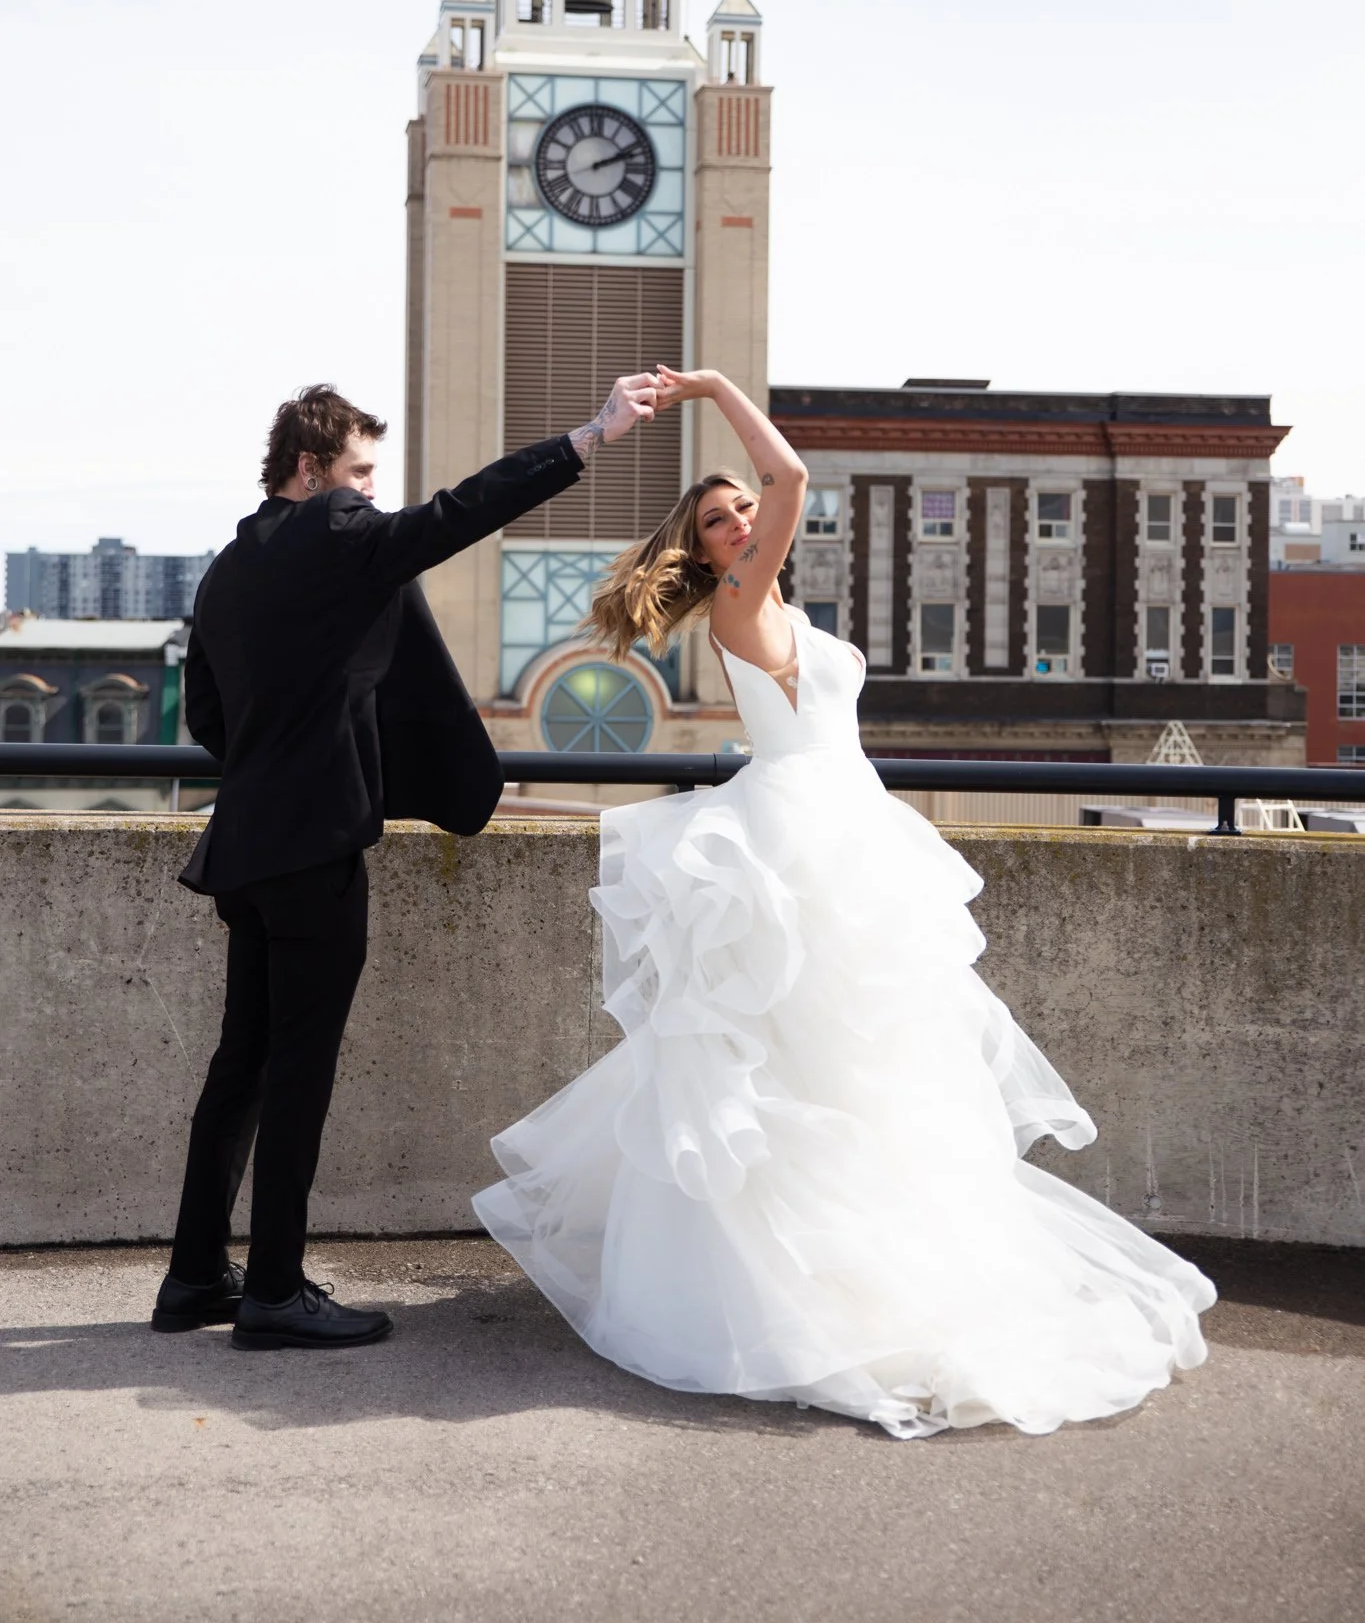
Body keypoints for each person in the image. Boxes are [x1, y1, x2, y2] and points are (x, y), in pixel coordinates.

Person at [474, 368, 1215, 1438]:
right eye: (721, 518)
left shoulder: (771, 603)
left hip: (843, 828)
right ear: (709, 548)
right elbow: (794, 471)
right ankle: (802, 1299)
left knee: (872, 1061)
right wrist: (719, 384)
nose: (740, 522)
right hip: (802, 843)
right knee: (800, 1063)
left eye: (741, 512)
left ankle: (883, 1270)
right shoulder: (739, 601)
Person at [154, 374, 658, 1350]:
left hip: (245, 848)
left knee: (242, 1062)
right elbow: (462, 512)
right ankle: (272, 1289)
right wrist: (591, 434)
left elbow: (209, 720)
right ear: (311, 468)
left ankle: (193, 1273)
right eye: (359, 473)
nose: (370, 495)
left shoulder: (223, 570)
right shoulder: (338, 535)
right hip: (314, 848)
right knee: (299, 1067)